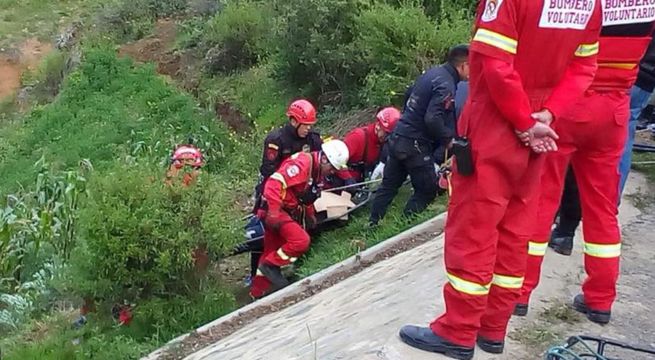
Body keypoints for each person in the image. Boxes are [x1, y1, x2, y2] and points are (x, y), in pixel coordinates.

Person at [398, 0, 602, 358]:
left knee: (474, 229)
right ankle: (493, 328)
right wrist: (549, 113)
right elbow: (584, 67)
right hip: (541, 125)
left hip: (498, 123)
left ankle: (458, 331)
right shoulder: (589, 4)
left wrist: (523, 122)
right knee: (515, 229)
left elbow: (495, 65)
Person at [515, 9, 655, 325]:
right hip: (614, 110)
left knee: (542, 200)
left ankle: (520, 293)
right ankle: (601, 300)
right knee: (603, 211)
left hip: (568, 104)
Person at [368, 45, 469, 226]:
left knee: (388, 186)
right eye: (472, 67)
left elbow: (408, 97)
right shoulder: (446, 84)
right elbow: (432, 118)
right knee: (428, 189)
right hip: (415, 143)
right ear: (463, 66)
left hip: (399, 134)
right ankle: (405, 224)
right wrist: (447, 139)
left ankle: (372, 225)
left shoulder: (432, 74)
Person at [249, 140, 349, 299]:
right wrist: (274, 211)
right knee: (301, 241)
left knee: (269, 252)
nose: (332, 172)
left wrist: (309, 214)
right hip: (275, 209)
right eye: (332, 168)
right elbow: (274, 183)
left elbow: (304, 195)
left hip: (282, 209)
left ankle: (256, 295)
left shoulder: (315, 171)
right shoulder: (303, 164)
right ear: (324, 159)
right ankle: (272, 266)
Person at [336, 107, 400, 186]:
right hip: (344, 182)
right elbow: (337, 161)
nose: (388, 138)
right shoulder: (358, 137)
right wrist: (347, 178)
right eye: (386, 133)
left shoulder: (384, 143)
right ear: (378, 126)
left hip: (363, 182)